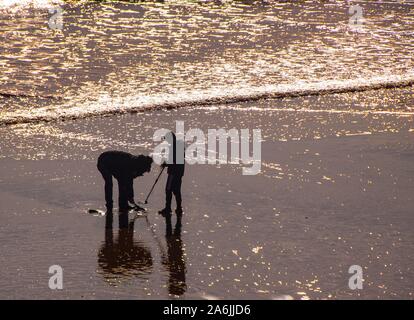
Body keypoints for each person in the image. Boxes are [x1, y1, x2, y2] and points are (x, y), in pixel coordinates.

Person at [158, 132, 185, 218]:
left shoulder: (174, 147)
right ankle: (179, 208)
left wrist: (166, 164)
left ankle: (168, 208)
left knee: (168, 189)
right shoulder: (178, 146)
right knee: (176, 190)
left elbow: (174, 161)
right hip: (179, 173)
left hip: (173, 173)